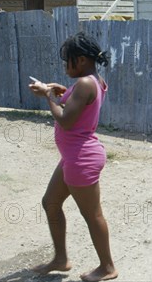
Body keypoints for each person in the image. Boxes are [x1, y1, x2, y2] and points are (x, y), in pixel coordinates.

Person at [29, 31, 118, 282]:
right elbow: (80, 104)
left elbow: (67, 121)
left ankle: (108, 267)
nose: (64, 66)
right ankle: (60, 259)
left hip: (82, 158)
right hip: (74, 157)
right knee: (50, 202)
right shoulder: (93, 81)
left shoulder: (86, 83)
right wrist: (61, 92)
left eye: (67, 60)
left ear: (80, 60)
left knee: (93, 215)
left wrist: (48, 96)